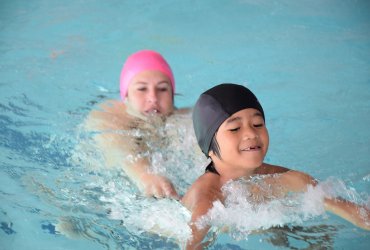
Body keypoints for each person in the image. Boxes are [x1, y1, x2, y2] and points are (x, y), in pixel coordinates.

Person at [181, 83, 370, 249]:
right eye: (235, 129)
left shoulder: (281, 178)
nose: (250, 133)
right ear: (210, 149)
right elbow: (192, 244)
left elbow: (351, 210)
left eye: (257, 123)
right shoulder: (209, 198)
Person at [83, 50, 191, 199]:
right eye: (141, 89)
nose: (153, 97)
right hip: (95, 189)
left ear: (172, 95)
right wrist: (145, 175)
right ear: (126, 95)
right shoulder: (108, 114)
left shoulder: (186, 118)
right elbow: (118, 147)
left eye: (162, 89)